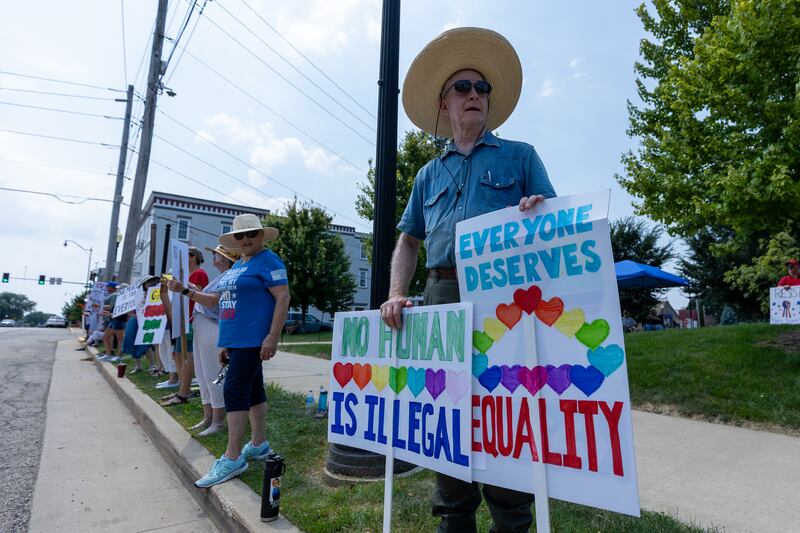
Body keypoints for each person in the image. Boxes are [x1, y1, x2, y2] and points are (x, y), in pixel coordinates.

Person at [381, 27, 555, 533]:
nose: (475, 94)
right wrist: (396, 293)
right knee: (447, 414)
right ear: (445, 103)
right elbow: (408, 241)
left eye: (482, 87)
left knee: (503, 411)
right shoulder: (426, 175)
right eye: (463, 87)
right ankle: (453, 518)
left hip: (504, 297)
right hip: (438, 294)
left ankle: (513, 520)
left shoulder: (521, 157)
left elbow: (553, 225)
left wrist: (536, 211)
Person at [167, 214, 290, 488]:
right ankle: (258, 444)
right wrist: (185, 291)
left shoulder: (269, 260)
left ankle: (233, 457)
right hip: (235, 340)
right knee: (254, 390)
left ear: (261, 236)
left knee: (234, 391)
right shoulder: (237, 267)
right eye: (240, 236)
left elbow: (283, 297)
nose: (246, 240)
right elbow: (217, 301)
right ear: (234, 240)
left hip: (253, 339)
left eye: (251, 234)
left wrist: (272, 336)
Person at [184, 245, 240, 436]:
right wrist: (191, 288)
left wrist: (187, 291)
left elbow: (213, 301)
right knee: (201, 374)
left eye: (216, 253)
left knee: (212, 374)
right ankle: (208, 417)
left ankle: (218, 421)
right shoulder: (221, 276)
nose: (213, 256)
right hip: (202, 324)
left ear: (224, 258)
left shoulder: (230, 276)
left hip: (211, 325)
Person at [160, 247, 209, 404]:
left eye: (185, 256)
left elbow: (198, 295)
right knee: (177, 354)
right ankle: (182, 388)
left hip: (191, 319)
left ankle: (184, 392)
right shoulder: (188, 276)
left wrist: (182, 286)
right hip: (182, 320)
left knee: (187, 354)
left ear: (193, 257)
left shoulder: (199, 274)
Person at [121, 275, 161, 374]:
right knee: (131, 340)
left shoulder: (158, 292)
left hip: (148, 319)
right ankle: (138, 365)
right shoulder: (138, 294)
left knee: (147, 342)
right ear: (144, 284)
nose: (152, 283)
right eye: (149, 282)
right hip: (135, 319)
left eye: (153, 281)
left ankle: (153, 365)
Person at [97, 282, 127, 362]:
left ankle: (118, 355)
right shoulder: (119, 298)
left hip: (119, 320)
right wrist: (106, 313)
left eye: (119, 288)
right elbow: (115, 311)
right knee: (106, 337)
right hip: (114, 320)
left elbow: (121, 313)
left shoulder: (124, 300)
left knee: (119, 339)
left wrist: (107, 313)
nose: (117, 289)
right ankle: (109, 354)